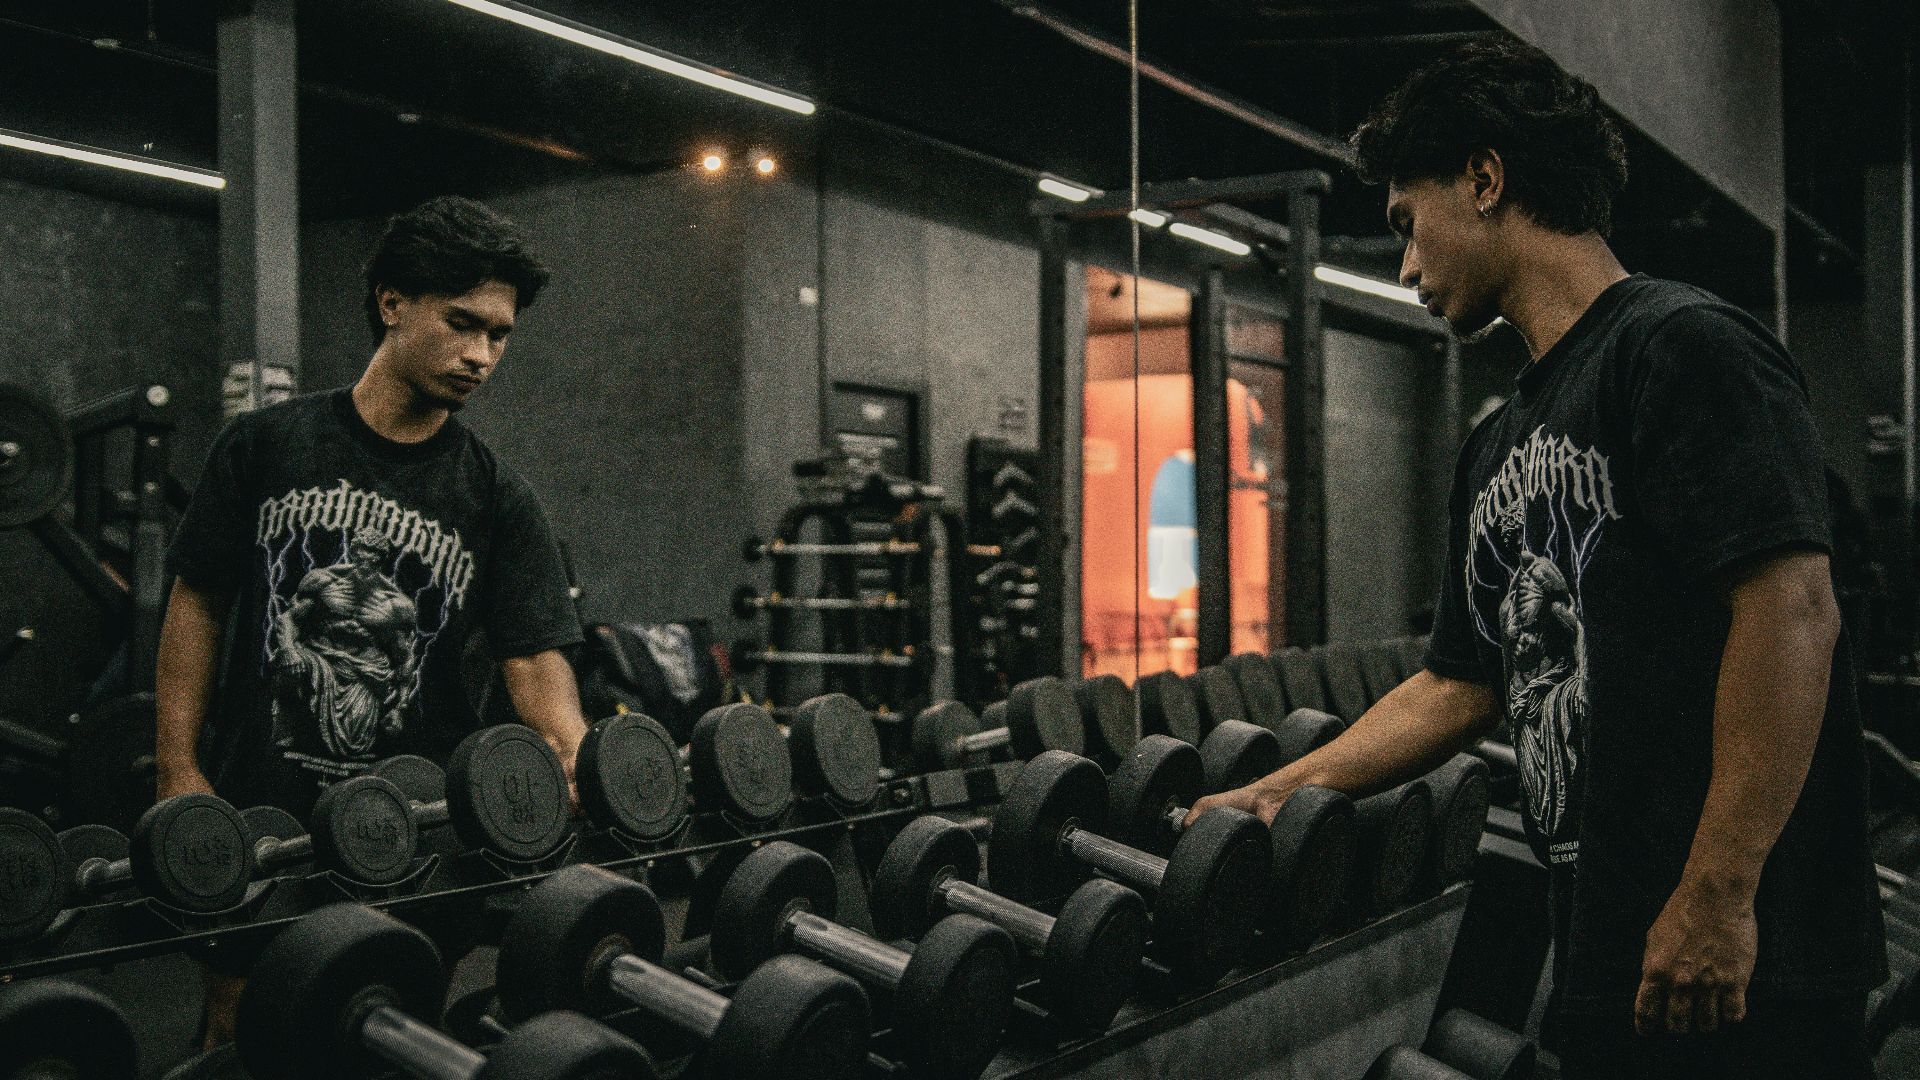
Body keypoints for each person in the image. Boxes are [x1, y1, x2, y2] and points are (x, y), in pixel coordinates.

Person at [1188, 41, 1884, 1079]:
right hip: (1612, 951)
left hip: (1748, 957)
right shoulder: (1500, 440)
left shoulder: (1684, 347)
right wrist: (1280, 792)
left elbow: (1792, 612)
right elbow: (1457, 685)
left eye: (1406, 225)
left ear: (1485, 178)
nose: (1409, 265)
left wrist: (1715, 894)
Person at [155, 195, 590, 1047]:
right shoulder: (266, 446)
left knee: (391, 1037)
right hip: (262, 812)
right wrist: (177, 765)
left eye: (500, 336)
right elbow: (198, 602)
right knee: (240, 1032)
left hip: (416, 832)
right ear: (392, 303)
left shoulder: (499, 497)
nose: (480, 356)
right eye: (462, 323)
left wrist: (576, 761)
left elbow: (535, 658)